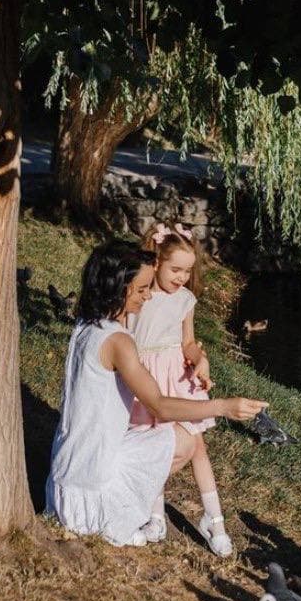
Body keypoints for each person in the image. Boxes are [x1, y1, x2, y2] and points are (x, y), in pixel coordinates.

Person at [45, 240, 267, 548]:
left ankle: (144, 510)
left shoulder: (86, 325)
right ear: (118, 288)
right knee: (185, 441)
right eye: (141, 289)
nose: (148, 295)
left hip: (63, 480)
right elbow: (160, 405)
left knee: (171, 438)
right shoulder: (118, 342)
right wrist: (223, 407)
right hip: (88, 495)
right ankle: (116, 514)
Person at [128, 223, 234, 555]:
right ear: (156, 261)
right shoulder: (139, 295)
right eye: (175, 270)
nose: (182, 278)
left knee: (197, 446)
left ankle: (214, 519)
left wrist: (200, 359)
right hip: (145, 377)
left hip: (176, 377)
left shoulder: (185, 300)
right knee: (152, 443)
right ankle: (155, 516)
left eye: (187, 272)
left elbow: (188, 342)